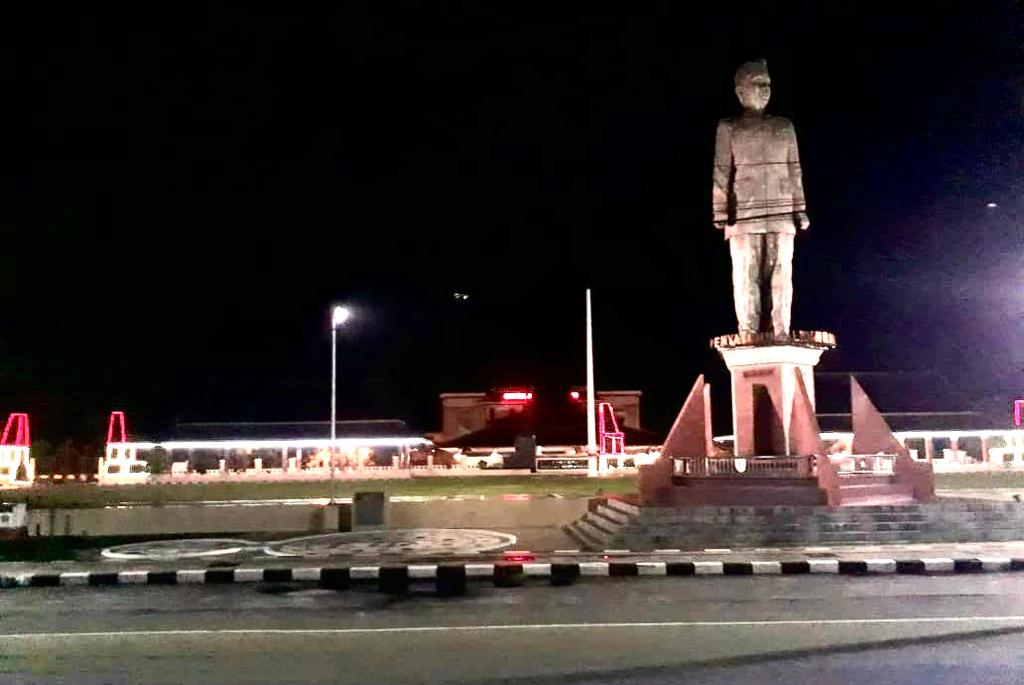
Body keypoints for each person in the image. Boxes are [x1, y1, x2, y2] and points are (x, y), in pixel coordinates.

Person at [712, 59, 809, 337]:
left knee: (781, 276)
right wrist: (720, 211)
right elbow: (721, 172)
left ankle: (781, 330)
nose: (764, 90)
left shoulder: (784, 127)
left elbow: (795, 170)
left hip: (781, 212)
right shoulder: (729, 128)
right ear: (740, 92)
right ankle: (748, 331)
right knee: (746, 276)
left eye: (767, 84)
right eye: (757, 84)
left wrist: (800, 209)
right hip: (744, 215)